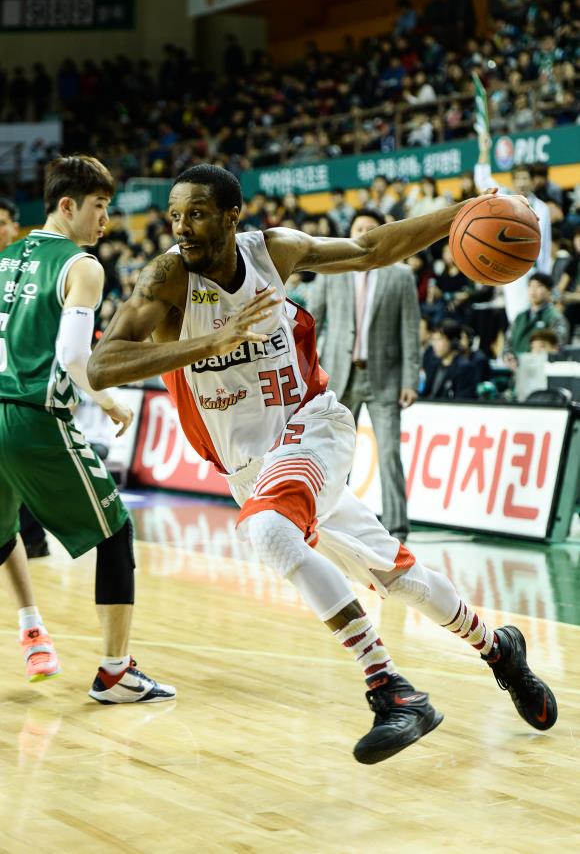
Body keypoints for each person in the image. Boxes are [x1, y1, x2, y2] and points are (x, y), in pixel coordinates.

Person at [89, 164, 556, 764]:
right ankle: (500, 650)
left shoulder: (273, 251)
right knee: (399, 577)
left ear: (233, 216)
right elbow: (102, 365)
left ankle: (391, 690)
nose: (182, 227)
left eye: (197, 214)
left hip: (312, 428)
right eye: (175, 215)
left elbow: (369, 249)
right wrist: (211, 343)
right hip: (249, 469)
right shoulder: (168, 278)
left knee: (267, 531)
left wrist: (460, 213)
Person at [0, 155, 175, 703]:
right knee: (115, 530)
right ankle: (116, 673)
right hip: (32, 416)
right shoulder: (82, 266)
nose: (106, 219)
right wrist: (107, 399)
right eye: (99, 206)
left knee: (2, 536)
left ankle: (33, 630)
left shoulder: (4, 259)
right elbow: (75, 355)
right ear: (67, 205)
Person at [308, 208, 420, 542]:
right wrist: (308, 371)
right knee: (337, 453)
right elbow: (312, 322)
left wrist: (410, 380)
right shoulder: (331, 271)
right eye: (360, 228)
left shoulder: (401, 276)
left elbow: (410, 331)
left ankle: (398, 528)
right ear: (350, 233)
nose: (366, 233)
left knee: (389, 453)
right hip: (340, 375)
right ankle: (330, 522)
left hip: (385, 377)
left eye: (372, 228)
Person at [0, 197, 51, 558]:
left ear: (15, 227)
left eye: (2, 222)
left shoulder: (30, 271)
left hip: (22, 386)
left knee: (17, 469)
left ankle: (32, 539)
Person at [474, 132, 552, 321]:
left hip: (534, 271)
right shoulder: (506, 199)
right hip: (513, 268)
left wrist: (545, 278)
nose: (522, 183)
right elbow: (483, 180)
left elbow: (546, 246)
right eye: (518, 179)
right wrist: (484, 151)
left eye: (525, 178)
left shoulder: (542, 208)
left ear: (533, 181)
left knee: (537, 321)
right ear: (513, 181)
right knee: (516, 319)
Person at [506, 273, 569, 355]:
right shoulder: (519, 317)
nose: (533, 290)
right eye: (530, 286)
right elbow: (507, 344)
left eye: (538, 286)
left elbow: (558, 346)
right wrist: (507, 356)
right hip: (517, 362)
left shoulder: (555, 317)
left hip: (540, 362)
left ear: (549, 290)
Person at [423, 319, 477, 399]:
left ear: (453, 341)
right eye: (433, 340)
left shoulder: (464, 368)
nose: (434, 344)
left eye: (439, 339)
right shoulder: (433, 364)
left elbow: (462, 400)